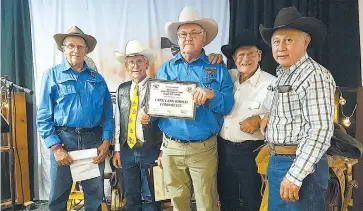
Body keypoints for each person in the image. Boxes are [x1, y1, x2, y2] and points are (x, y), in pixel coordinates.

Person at [141, 6, 234, 211]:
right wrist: (147, 114)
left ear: (204, 37)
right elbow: (157, 107)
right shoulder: (166, 68)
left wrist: (212, 95)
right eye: (183, 34)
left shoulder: (217, 67)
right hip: (171, 147)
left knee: (206, 202)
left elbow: (227, 104)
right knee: (177, 200)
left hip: (204, 148)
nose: (188, 38)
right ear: (177, 39)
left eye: (194, 33)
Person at [259, 7, 336, 210]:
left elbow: (319, 130)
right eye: (276, 41)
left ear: (306, 41)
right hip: (279, 161)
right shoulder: (285, 74)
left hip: (299, 165)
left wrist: (295, 175)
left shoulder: (314, 75)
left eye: (289, 40)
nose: (281, 47)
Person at [36, 26, 114, 211]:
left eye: (80, 46)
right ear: (63, 49)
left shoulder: (98, 79)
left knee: (94, 196)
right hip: (64, 141)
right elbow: (44, 116)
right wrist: (56, 147)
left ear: (86, 50)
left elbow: (108, 114)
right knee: (58, 196)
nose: (76, 50)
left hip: (93, 141)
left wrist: (106, 141)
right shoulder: (52, 75)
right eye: (71, 46)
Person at [217, 29, 276, 211]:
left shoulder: (272, 84)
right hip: (222, 149)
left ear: (259, 56)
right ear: (234, 59)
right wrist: (213, 58)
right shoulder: (228, 77)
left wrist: (260, 118)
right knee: (226, 196)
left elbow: (283, 113)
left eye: (251, 54)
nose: (246, 59)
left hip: (251, 152)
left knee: (252, 200)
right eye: (241, 54)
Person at [112, 40, 163, 211]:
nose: (136, 65)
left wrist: (163, 149)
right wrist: (117, 149)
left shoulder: (157, 87)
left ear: (147, 63)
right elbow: (119, 119)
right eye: (131, 62)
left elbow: (165, 122)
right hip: (127, 149)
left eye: (140, 61)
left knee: (151, 196)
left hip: (150, 148)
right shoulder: (122, 89)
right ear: (126, 66)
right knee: (131, 195)